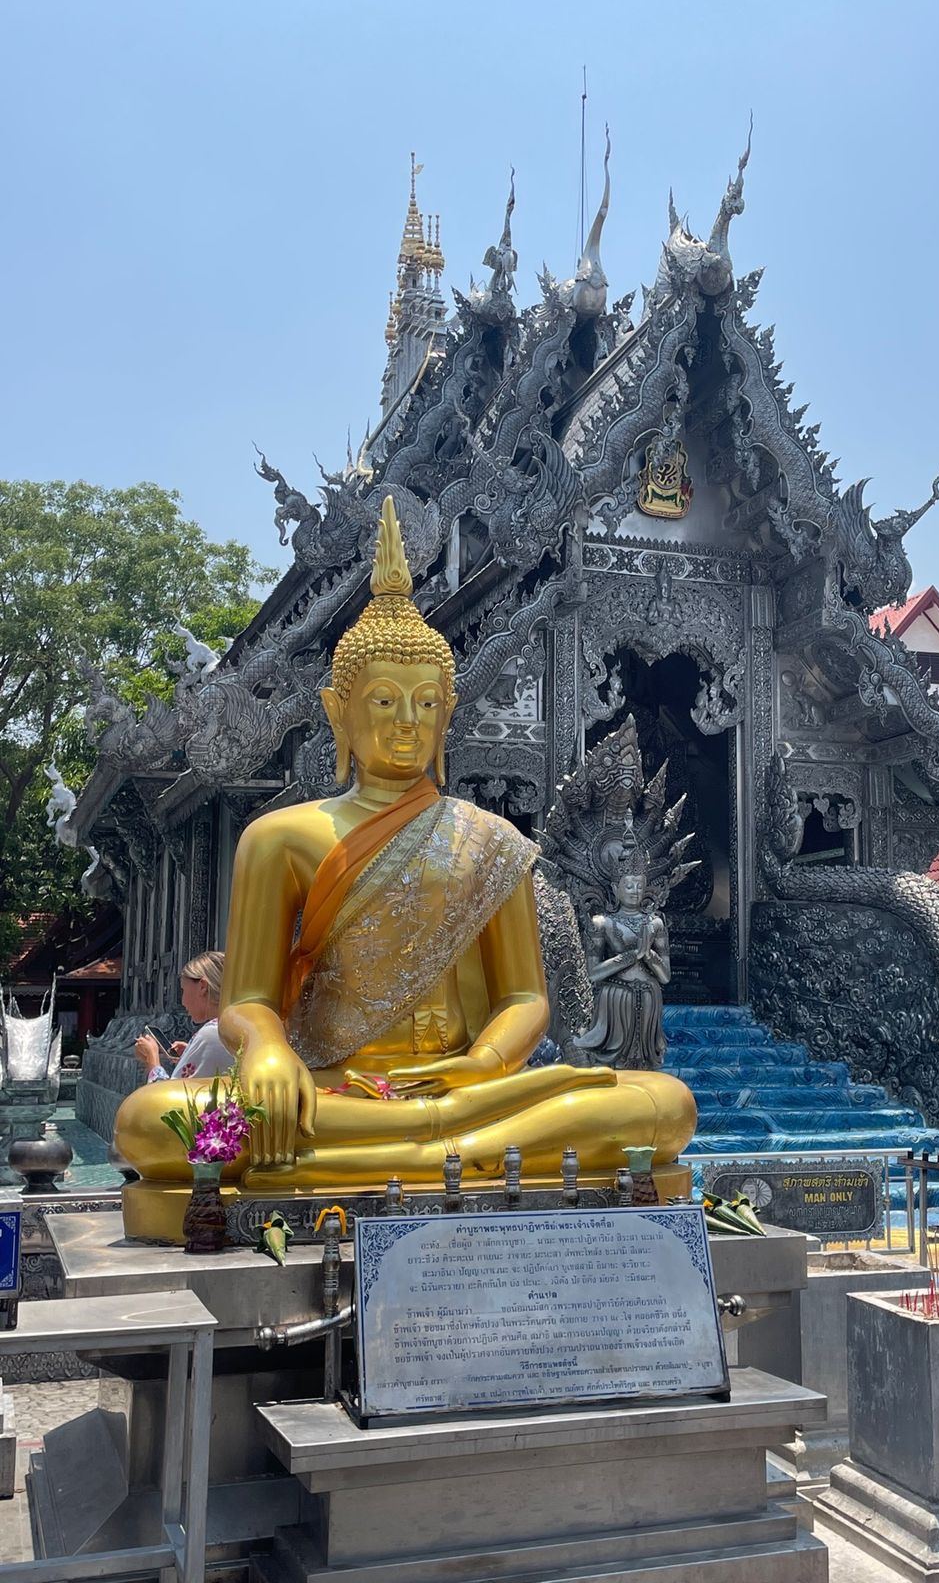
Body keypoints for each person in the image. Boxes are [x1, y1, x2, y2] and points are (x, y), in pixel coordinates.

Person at [114, 498, 695, 1231]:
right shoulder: (281, 837)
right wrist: (263, 1048)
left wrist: (480, 1070)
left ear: (448, 714)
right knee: (150, 1120)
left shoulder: (489, 839)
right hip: (328, 1092)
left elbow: (525, 1001)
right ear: (338, 711)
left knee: (662, 1107)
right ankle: (456, 1155)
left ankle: (415, 1149)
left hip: (467, 1090)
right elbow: (247, 998)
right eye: (384, 700)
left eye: (427, 704)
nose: (406, 723)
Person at [573, 821, 670, 1071]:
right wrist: (630, 956)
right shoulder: (602, 923)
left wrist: (647, 955)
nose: (635, 891)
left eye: (639, 885)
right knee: (616, 1066)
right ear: (616, 889)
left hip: (649, 998)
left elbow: (665, 976)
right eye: (629, 885)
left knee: (645, 1066)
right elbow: (593, 973)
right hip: (614, 999)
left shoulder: (656, 923)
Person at [133, 952, 236, 1083]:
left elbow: (168, 1099)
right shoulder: (232, 1027)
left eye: (183, 990)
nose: (182, 1001)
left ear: (203, 987)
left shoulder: (211, 1034)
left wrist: (152, 1059)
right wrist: (193, 1051)